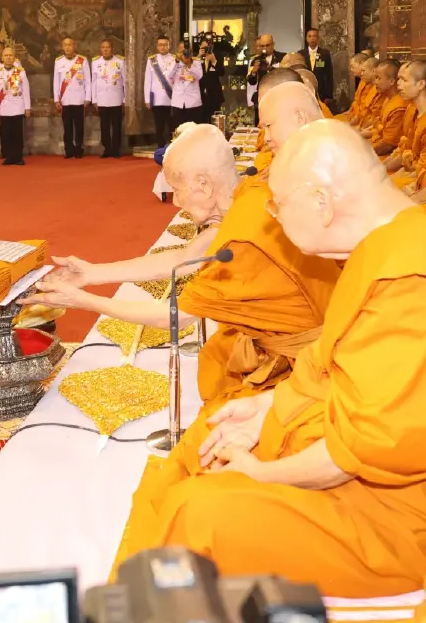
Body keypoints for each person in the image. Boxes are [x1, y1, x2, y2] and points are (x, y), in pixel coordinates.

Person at [108, 119, 426, 594]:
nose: (272, 217)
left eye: (279, 204)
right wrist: (265, 407)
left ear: (322, 202)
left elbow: (363, 449)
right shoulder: (386, 243)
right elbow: (333, 362)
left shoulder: (411, 280)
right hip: (349, 448)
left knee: (197, 516)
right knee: (211, 434)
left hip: (397, 515)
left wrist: (263, 474)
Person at [34, 110, 338, 415]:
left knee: (211, 432)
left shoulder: (238, 242)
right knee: (216, 363)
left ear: (204, 185)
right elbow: (182, 257)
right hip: (302, 340)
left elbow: (172, 316)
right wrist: (91, 273)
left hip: (314, 364)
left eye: (177, 190)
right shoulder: (249, 195)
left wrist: (82, 300)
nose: (176, 202)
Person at [386, 61, 426, 190]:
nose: (398, 84)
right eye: (398, 79)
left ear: (421, 84)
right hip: (410, 172)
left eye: (404, 80)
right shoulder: (413, 110)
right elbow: (407, 151)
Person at [53, 37, 91, 159]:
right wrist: (56, 99)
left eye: (70, 44)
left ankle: (79, 149)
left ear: (74, 45)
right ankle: (68, 150)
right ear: (62, 47)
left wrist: (87, 97)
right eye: (65, 45)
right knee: (67, 126)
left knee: (79, 126)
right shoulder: (58, 61)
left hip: (79, 98)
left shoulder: (82, 60)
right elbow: (56, 81)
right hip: (65, 99)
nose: (68, 47)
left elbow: (88, 81)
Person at [359, 60, 406, 155]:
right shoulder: (387, 99)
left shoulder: (399, 106)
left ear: (392, 81)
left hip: (388, 154)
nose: (375, 82)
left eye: (378, 78)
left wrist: (363, 154)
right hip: (376, 143)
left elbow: (388, 144)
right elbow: (379, 127)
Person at [0, 45, 29, 166]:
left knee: (17, 134)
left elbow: (26, 90)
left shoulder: (21, 72)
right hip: (4, 107)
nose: (8, 57)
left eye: (10, 55)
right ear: (2, 57)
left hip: (18, 106)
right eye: (6, 55)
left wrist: (27, 107)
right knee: (6, 134)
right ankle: (9, 157)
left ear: (14, 57)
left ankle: (18, 157)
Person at [91, 39, 125, 158]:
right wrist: (94, 99)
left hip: (116, 98)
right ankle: (107, 149)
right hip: (102, 99)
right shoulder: (95, 62)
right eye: (103, 47)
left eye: (108, 47)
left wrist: (124, 99)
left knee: (116, 125)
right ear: (100, 49)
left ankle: (116, 149)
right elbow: (94, 82)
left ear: (112, 49)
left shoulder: (120, 61)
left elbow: (125, 81)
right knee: (104, 126)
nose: (105, 50)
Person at [144, 35, 179, 145]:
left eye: (165, 45)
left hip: (172, 98)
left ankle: (172, 146)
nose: (162, 47)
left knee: (172, 125)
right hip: (157, 98)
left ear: (169, 45)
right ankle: (160, 147)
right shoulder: (151, 60)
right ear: (157, 46)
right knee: (159, 125)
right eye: (160, 45)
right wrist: (147, 99)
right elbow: (147, 80)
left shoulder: (175, 59)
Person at [245, 34, 284, 107]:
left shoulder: (282, 57)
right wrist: (253, 72)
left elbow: (286, 74)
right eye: (262, 46)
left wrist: (271, 68)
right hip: (261, 98)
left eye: (267, 45)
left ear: (273, 44)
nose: (265, 48)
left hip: (278, 96)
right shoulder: (256, 60)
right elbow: (252, 82)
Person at [298, 28, 334, 108]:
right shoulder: (301, 54)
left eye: (314, 36)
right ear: (306, 38)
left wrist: (329, 95)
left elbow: (329, 75)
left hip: (322, 93)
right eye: (310, 36)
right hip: (305, 91)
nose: (312, 39)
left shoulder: (325, 53)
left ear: (318, 38)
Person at [198, 34, 224, 124]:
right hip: (199, 95)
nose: (206, 50)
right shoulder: (195, 59)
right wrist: (198, 57)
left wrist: (214, 61)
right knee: (201, 122)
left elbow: (221, 72)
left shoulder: (217, 56)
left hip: (214, 95)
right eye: (203, 47)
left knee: (214, 123)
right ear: (200, 47)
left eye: (207, 47)